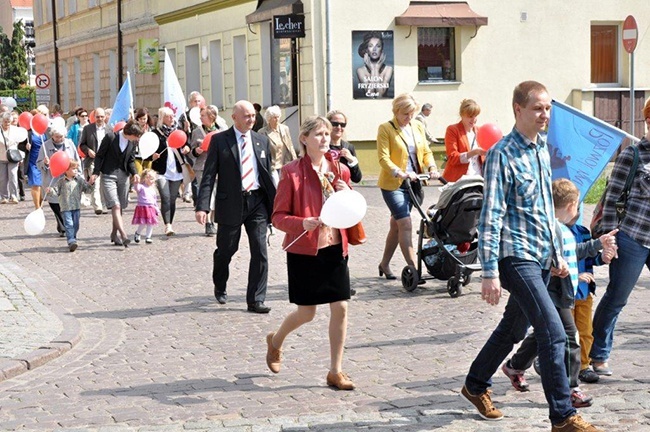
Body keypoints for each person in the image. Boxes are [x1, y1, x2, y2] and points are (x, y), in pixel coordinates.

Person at [460, 81, 601, 431]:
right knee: (553, 332)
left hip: (539, 255)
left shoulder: (541, 150)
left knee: (513, 328)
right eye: (538, 108)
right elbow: (490, 215)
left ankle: (475, 385)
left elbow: (542, 211)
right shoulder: (501, 154)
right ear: (517, 109)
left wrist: (557, 254)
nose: (545, 115)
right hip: (514, 256)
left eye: (548, 108)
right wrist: (489, 271)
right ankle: (563, 417)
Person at [501, 179, 617, 409]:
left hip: (560, 291)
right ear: (573, 205)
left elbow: (572, 252)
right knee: (569, 337)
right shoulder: (551, 228)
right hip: (550, 291)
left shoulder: (561, 230)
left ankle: (515, 365)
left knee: (544, 333)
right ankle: (570, 388)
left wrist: (597, 244)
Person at [266, 115, 355, 390]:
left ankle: (335, 371)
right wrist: (301, 223)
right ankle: (276, 341)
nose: (325, 138)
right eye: (318, 134)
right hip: (305, 249)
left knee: (340, 306)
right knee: (307, 313)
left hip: (335, 247)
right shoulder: (291, 172)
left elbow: (351, 209)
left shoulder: (340, 170)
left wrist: (347, 192)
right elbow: (278, 217)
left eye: (327, 133)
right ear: (304, 139)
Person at [195, 100, 276, 313]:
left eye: (253, 116)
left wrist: (277, 205)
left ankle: (256, 299)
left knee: (260, 250)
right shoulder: (220, 141)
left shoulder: (261, 140)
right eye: (246, 116)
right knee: (226, 250)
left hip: (257, 202)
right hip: (230, 203)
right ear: (234, 118)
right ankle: (220, 284)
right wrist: (202, 206)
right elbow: (209, 175)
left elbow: (267, 175)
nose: (251, 119)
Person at [590, 98, 650, 377]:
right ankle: (597, 354)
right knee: (617, 297)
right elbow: (612, 199)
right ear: (648, 122)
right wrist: (610, 238)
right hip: (632, 238)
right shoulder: (633, 155)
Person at [376, 93, 440, 280]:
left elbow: (426, 151)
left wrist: (432, 167)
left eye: (411, 114)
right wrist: (398, 171)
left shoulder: (417, 126)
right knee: (405, 223)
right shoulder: (386, 129)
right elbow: (383, 157)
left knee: (396, 226)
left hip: (414, 183)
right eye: (405, 114)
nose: (409, 118)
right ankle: (414, 268)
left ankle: (384, 264)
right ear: (396, 111)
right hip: (394, 184)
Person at [90, 120, 142, 247]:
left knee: (120, 206)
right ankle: (123, 234)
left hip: (123, 176)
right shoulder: (110, 137)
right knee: (115, 205)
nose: (137, 139)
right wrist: (96, 172)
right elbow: (100, 156)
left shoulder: (132, 143)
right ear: (129, 133)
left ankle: (114, 234)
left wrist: (134, 172)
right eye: (136, 136)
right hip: (108, 174)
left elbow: (131, 160)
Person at [570, 222, 608, 384]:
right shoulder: (554, 230)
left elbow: (591, 258)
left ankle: (583, 366)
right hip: (565, 294)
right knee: (568, 334)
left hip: (584, 292)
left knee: (586, 332)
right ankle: (567, 367)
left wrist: (604, 257)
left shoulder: (582, 232)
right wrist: (576, 275)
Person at [152, 106, 190, 236]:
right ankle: (167, 225)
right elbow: (147, 150)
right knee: (165, 197)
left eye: (173, 116)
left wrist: (187, 149)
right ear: (162, 118)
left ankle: (170, 223)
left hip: (176, 169)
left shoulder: (178, 130)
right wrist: (153, 156)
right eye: (169, 116)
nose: (172, 118)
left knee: (173, 199)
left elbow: (187, 143)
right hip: (161, 170)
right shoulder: (155, 133)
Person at [38, 124, 82, 236]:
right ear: (52, 135)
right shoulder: (45, 146)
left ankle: (64, 227)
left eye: (61, 136)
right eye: (57, 136)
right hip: (52, 180)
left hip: (68, 179)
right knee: (55, 204)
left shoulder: (69, 143)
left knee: (67, 204)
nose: (59, 139)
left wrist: (79, 174)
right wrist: (45, 163)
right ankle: (63, 225)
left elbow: (77, 160)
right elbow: (38, 164)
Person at [190, 105, 227, 236]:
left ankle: (214, 220)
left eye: (203, 115)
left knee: (218, 195)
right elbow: (191, 152)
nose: (200, 118)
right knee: (208, 193)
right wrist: (196, 151)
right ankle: (208, 224)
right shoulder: (197, 131)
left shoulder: (222, 130)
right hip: (202, 167)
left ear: (211, 116)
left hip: (220, 167)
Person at [48, 160, 91, 252]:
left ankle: (73, 238)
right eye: (73, 169)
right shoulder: (61, 182)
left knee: (76, 225)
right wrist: (50, 191)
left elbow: (87, 190)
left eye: (76, 168)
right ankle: (71, 240)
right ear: (66, 170)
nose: (76, 170)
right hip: (65, 207)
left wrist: (91, 184)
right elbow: (56, 191)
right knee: (69, 224)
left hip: (76, 207)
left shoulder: (79, 180)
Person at [442, 99, 486, 182]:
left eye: (475, 116)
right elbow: (452, 157)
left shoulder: (480, 131)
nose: (473, 119)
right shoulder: (453, 130)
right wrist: (474, 152)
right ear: (462, 115)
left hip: (479, 178)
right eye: (470, 116)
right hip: (459, 181)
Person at [79, 107, 109, 215]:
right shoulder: (88, 129)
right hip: (93, 159)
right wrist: (88, 150)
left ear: (105, 117)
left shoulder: (109, 129)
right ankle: (97, 206)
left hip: (106, 160)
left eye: (102, 116)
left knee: (104, 183)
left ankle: (104, 204)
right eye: (97, 117)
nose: (100, 118)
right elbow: (82, 144)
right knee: (95, 182)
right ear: (94, 117)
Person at [259, 105, 297, 185]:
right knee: (276, 186)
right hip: (272, 165)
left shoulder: (284, 129)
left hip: (285, 163)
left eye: (278, 117)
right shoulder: (262, 132)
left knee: (285, 185)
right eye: (274, 117)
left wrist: (295, 160)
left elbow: (290, 145)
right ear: (269, 119)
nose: (277, 119)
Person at [327, 110, 362, 184]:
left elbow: (356, 178)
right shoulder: (321, 146)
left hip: (343, 191)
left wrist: (351, 160)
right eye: (335, 124)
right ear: (327, 125)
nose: (339, 127)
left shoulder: (348, 147)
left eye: (342, 125)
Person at [355, 31, 393, 99]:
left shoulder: (388, 69)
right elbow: (370, 95)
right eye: (370, 46)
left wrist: (377, 68)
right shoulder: (360, 70)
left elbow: (379, 96)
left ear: (381, 49)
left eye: (378, 46)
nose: (374, 49)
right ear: (366, 49)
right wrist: (373, 69)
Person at [26, 107, 49, 209]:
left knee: (42, 185)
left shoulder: (44, 131)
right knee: (36, 184)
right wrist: (26, 146)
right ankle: (37, 207)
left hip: (43, 161)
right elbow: (20, 145)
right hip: (32, 161)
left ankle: (40, 204)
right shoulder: (28, 133)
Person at [131, 168, 159, 244]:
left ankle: (148, 237)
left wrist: (156, 208)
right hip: (143, 207)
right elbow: (137, 188)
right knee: (142, 223)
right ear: (145, 179)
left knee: (150, 223)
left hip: (151, 208)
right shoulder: (141, 187)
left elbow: (154, 200)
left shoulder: (153, 189)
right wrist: (136, 182)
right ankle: (138, 233)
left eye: (153, 179)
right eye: (150, 179)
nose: (152, 181)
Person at [0, 112, 21, 204]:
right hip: (1, 156)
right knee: (2, 178)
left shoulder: (15, 130)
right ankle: (4, 196)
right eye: (5, 121)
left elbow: (19, 141)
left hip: (13, 157)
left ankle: (14, 196)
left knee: (13, 176)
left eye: (9, 121)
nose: (7, 123)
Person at [134, 107, 155, 173]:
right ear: (137, 118)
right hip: (137, 155)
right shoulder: (135, 127)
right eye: (140, 119)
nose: (142, 121)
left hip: (148, 155)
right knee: (139, 174)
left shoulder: (151, 129)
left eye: (144, 119)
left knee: (147, 175)